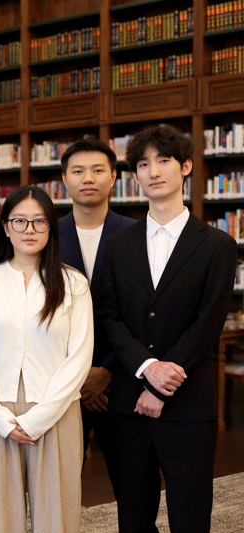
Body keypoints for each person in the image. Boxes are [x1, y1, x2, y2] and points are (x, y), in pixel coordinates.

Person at [97, 125, 237, 533]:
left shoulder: (217, 245)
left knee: (190, 513)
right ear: (134, 176)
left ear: (187, 166)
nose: (153, 171)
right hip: (128, 404)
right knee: (133, 515)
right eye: (143, 164)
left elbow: (208, 322)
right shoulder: (119, 244)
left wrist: (161, 383)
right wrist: (146, 369)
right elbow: (108, 316)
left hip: (188, 402)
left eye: (164, 161)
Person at [0, 185, 93, 533]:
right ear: (5, 227)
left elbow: (79, 357)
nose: (29, 230)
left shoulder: (73, 283)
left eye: (39, 221)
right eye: (20, 221)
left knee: (57, 514)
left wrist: (39, 417)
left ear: (52, 227)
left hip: (56, 409)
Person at [58, 138, 135, 501]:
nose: (88, 178)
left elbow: (140, 313)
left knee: (131, 484)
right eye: (78, 171)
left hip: (118, 379)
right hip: (59, 383)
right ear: (64, 180)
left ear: (114, 177)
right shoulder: (45, 235)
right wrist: (78, 377)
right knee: (58, 486)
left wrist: (104, 371)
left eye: (98, 169)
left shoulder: (137, 235)